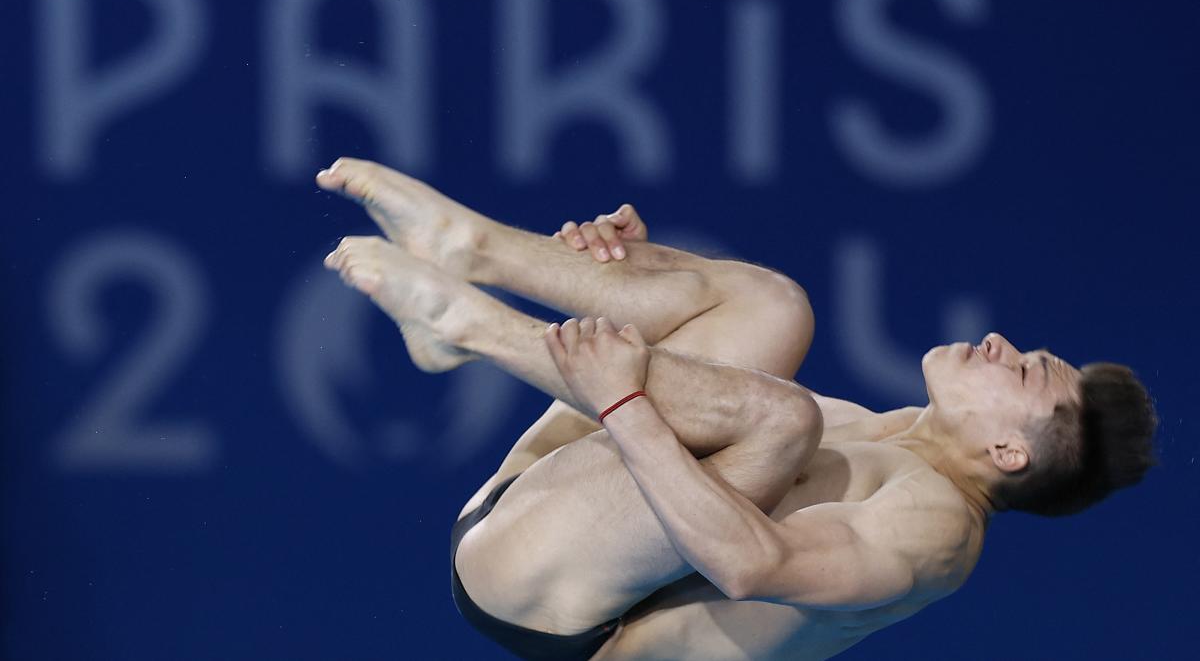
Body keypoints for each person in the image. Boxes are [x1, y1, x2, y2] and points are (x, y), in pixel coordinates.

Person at [315, 158, 1158, 661]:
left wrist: (623, 400)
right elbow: (702, 374)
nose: (1003, 342)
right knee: (775, 307)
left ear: (1010, 451)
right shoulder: (884, 429)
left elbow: (751, 565)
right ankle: (476, 250)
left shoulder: (936, 528)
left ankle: (471, 326)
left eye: (1027, 371)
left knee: (783, 420)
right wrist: (637, 266)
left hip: (559, 614)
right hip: (535, 510)